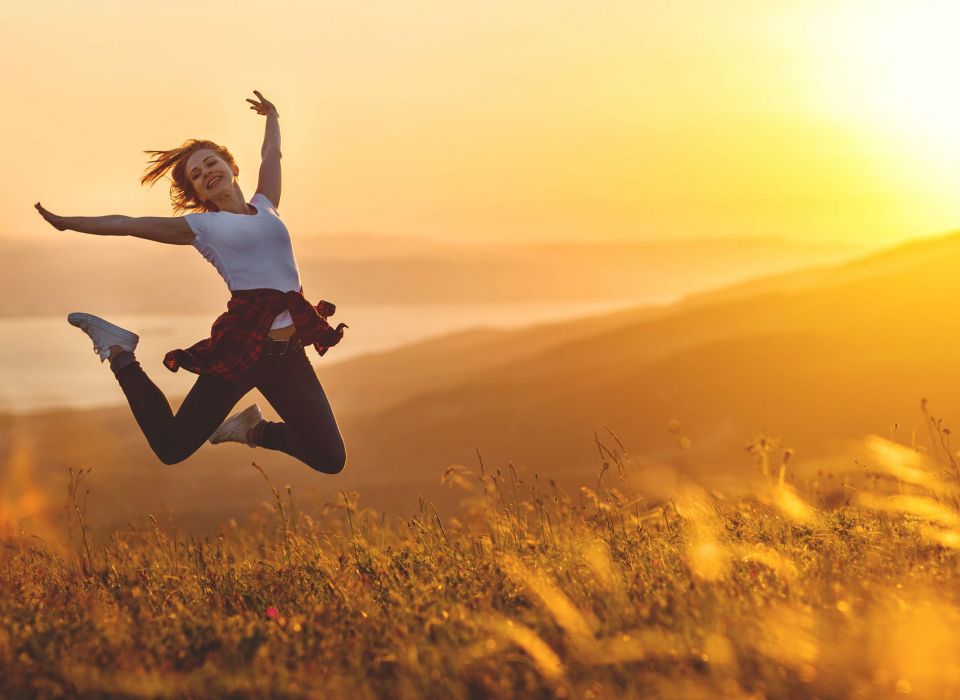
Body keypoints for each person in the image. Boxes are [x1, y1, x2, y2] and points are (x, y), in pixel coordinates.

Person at [34, 91, 348, 474]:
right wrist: (67, 223)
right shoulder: (204, 227)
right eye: (196, 176)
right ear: (197, 193)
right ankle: (119, 351)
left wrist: (273, 116)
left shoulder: (266, 206)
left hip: (289, 355)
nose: (206, 173)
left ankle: (253, 430)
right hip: (243, 350)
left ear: (231, 166)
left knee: (330, 458)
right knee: (171, 446)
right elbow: (127, 224)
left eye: (210, 163)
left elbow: (271, 156)